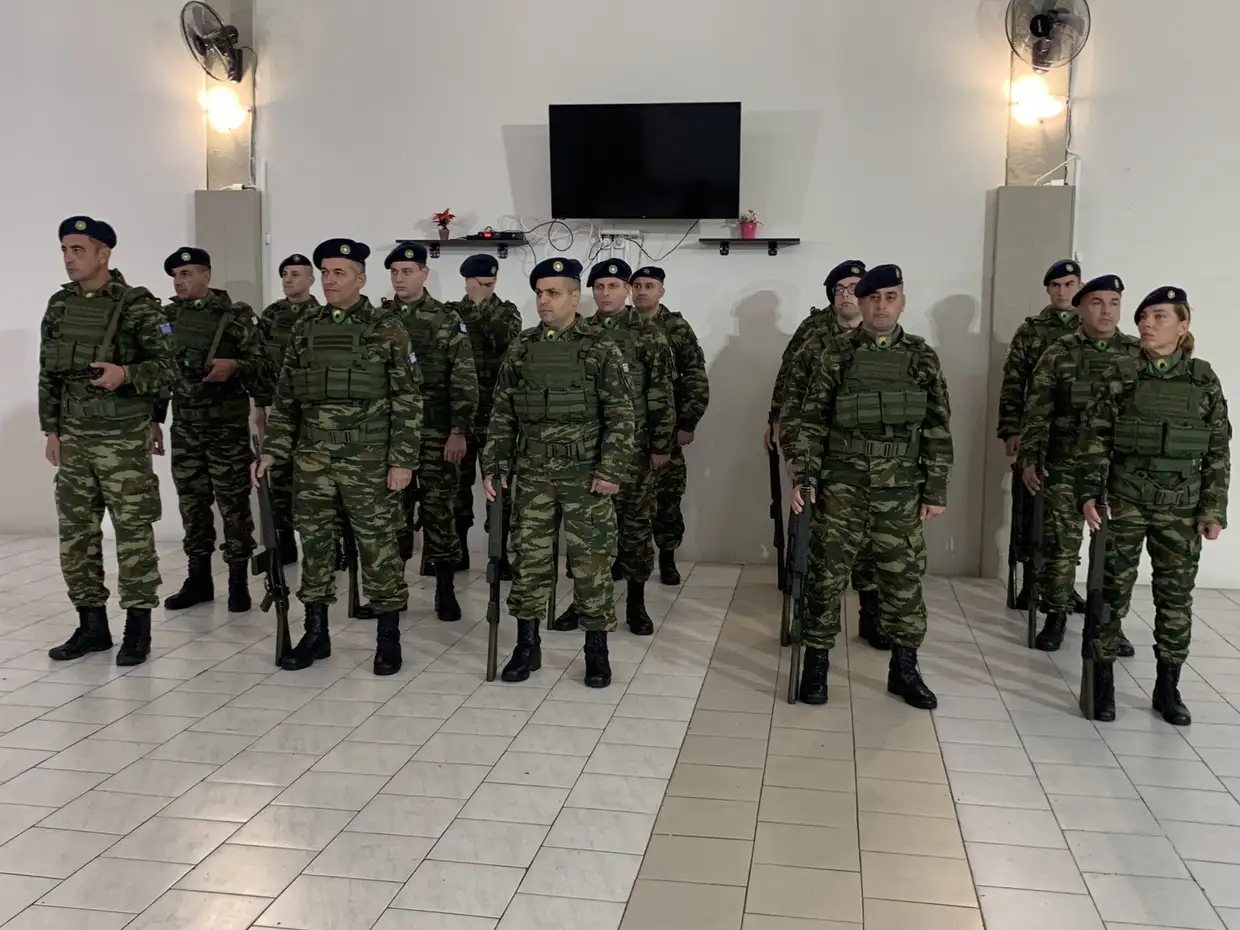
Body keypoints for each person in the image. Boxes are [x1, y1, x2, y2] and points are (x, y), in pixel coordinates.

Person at [783, 264, 952, 708]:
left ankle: (904, 669)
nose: (881, 305)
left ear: (902, 302)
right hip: (842, 486)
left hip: (900, 490)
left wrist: (935, 488)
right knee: (826, 577)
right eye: (873, 297)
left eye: (890, 297)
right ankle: (817, 664)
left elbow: (937, 426)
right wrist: (805, 476)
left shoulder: (921, 357)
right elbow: (811, 422)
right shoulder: (835, 355)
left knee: (903, 579)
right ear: (860, 303)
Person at [254, 238, 422, 675]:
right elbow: (286, 398)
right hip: (313, 458)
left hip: (368, 458)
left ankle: (388, 638)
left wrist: (402, 460)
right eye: (325, 273)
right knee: (316, 545)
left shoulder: (387, 328)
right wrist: (273, 451)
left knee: (378, 546)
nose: (329, 280)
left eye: (339, 273)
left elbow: (408, 399)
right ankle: (316, 633)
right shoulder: (305, 329)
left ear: (360, 280)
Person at [1078, 284, 1230, 726]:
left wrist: (1213, 509)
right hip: (1124, 503)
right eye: (1143, 316)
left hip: (1181, 508)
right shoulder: (1121, 374)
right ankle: (1102, 683)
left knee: (1175, 599)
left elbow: (1218, 450)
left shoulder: (1203, 380)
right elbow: (1095, 439)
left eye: (1159, 316)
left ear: (1183, 325)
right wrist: (1089, 494)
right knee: (1110, 595)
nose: (1147, 323)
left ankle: (1168, 688)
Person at [484, 257, 635, 688]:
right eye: (539, 293)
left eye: (553, 293)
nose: (544, 301)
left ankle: (596, 650)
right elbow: (502, 414)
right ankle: (527, 645)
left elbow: (621, 415)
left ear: (574, 296)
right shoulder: (522, 347)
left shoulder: (600, 347)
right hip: (533, 472)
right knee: (529, 560)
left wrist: (611, 469)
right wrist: (495, 465)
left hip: (585, 474)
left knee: (591, 563)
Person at [40, 216, 179, 666]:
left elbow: (171, 369)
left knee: (133, 533)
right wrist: (51, 429)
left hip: (121, 440)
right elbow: (49, 374)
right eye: (65, 250)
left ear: (104, 254)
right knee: (76, 536)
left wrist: (127, 374)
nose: (69, 258)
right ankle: (91, 626)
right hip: (74, 439)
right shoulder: (60, 305)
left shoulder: (137, 306)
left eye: (78, 250)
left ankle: (138, 629)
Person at [352, 242, 477, 622]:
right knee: (392, 516)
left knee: (440, 511)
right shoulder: (377, 320)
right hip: (388, 435)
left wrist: (459, 429)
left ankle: (445, 591)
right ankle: (392, 593)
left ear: (424, 273)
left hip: (436, 432)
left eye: (407, 271)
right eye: (394, 272)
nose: (399, 278)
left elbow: (463, 376)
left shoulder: (446, 319)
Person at [551, 258, 675, 636]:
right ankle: (582, 602)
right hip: (587, 451)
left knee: (635, 529)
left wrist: (660, 446)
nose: (606, 293)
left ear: (627, 290)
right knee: (586, 532)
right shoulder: (578, 332)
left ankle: (636, 602)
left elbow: (661, 394)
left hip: (634, 451)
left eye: (614, 286)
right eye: (599, 286)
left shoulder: (649, 334)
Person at [1018, 274, 1142, 653]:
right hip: (1065, 465)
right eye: (1097, 302)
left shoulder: (1137, 354)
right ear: (1081, 309)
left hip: (1117, 471)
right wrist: (1030, 458)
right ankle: (1056, 615)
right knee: (1060, 546)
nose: (1107, 311)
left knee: (1115, 554)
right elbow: (1037, 410)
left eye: (1114, 303)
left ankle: (1109, 624)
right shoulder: (1060, 353)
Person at [779, 260, 886, 649]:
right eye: (840, 289)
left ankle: (870, 614)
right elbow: (790, 392)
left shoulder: (888, 345)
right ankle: (807, 617)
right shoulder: (813, 337)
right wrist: (789, 444)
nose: (847, 295)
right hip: (821, 452)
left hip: (873, 463)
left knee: (871, 542)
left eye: (854, 288)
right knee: (816, 540)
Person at [158, 247, 266, 614]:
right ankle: (199, 579)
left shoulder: (236, 316)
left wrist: (235, 366)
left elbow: (264, 366)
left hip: (226, 428)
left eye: (187, 273)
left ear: (207, 274)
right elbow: (159, 371)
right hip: (185, 427)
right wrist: (155, 420)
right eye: (176, 274)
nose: (179, 281)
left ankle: (238, 582)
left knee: (234, 505)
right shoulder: (167, 317)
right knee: (192, 504)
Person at [997, 259, 1084, 611]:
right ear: (1048, 289)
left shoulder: (1091, 328)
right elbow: (1013, 382)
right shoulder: (1031, 331)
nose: (1063, 291)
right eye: (1056, 285)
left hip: (1079, 439)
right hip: (1036, 432)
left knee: (1073, 515)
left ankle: (1063, 585)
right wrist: (1011, 429)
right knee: (1032, 509)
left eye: (1069, 284)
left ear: (1080, 287)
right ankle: (1031, 580)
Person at [630, 266, 710, 586]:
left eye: (649, 285)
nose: (641, 291)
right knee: (628, 500)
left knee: (667, 498)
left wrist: (687, 423)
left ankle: (667, 557)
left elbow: (695, 378)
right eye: (637, 285)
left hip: (668, 427)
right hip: (628, 431)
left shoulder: (676, 328)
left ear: (661, 291)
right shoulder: (622, 324)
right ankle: (628, 558)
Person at [448, 254, 522, 576]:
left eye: (491, 284)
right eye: (481, 284)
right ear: (467, 281)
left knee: (499, 488)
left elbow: (504, 340)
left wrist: (480, 308)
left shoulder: (507, 312)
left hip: (496, 417)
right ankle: (459, 551)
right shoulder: (451, 313)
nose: (486, 289)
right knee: (456, 488)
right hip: (461, 417)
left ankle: (498, 555)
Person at [254, 253, 321, 565]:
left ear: (310, 280)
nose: (288, 279)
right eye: (284, 274)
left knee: (315, 479)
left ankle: (325, 547)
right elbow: (259, 363)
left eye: (295, 274)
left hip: (312, 412)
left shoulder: (320, 315)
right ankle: (284, 544)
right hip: (277, 409)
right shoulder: (272, 316)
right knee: (279, 476)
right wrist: (260, 406)